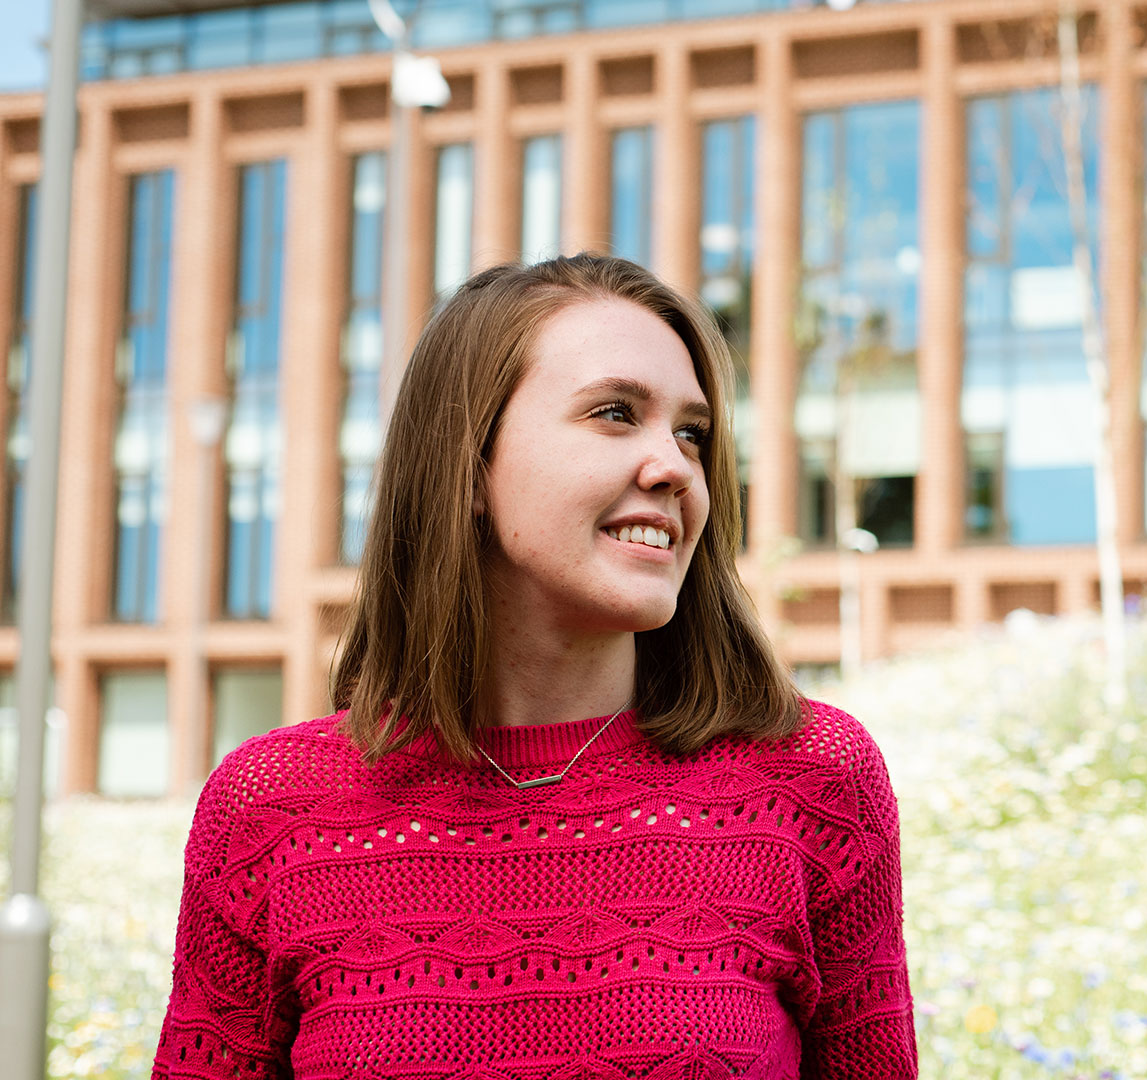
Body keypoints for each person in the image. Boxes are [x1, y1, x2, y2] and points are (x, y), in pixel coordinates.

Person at [151, 254, 918, 1078]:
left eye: (691, 433)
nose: (675, 468)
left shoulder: (812, 781)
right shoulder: (270, 810)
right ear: (470, 466)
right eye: (616, 414)